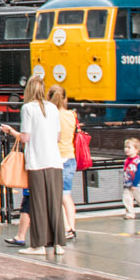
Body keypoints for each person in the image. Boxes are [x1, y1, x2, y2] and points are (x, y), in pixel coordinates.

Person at [0, 76, 67, 254]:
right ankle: (58, 244)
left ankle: (38, 245)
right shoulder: (52, 108)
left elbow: (25, 138)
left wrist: (11, 131)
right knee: (54, 203)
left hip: (37, 162)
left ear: (28, 89)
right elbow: (58, 137)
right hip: (55, 161)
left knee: (38, 204)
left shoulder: (28, 108)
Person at [49, 84, 79, 241]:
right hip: (70, 157)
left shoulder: (51, 114)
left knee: (60, 195)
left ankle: (67, 227)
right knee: (66, 195)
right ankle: (71, 227)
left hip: (56, 158)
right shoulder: (72, 114)